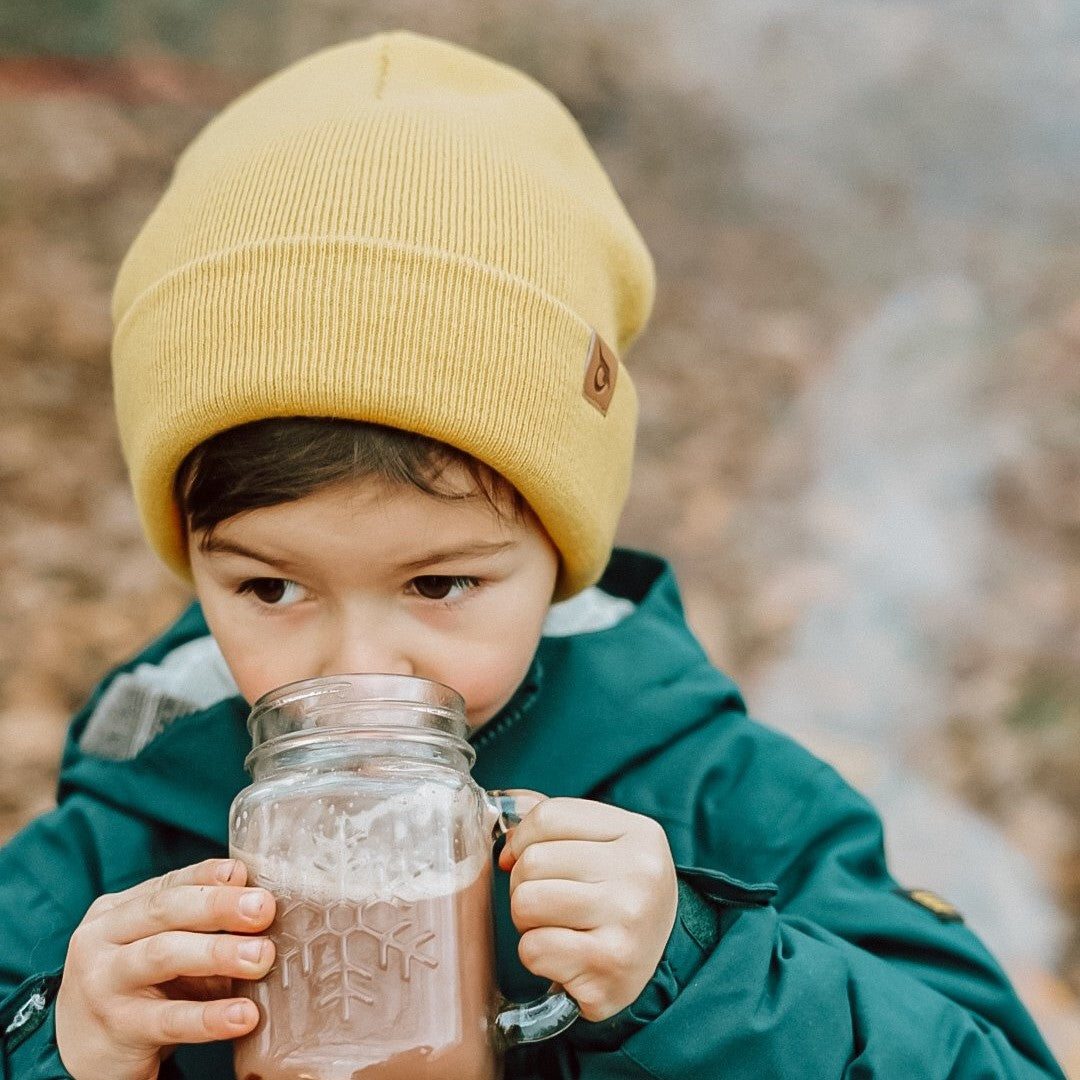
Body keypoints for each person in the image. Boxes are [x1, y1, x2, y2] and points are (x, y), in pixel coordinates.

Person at [0, 30, 1066, 1080]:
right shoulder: (128, 833)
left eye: (439, 582)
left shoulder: (716, 798)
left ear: (559, 552)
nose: (362, 672)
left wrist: (699, 968)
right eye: (271, 586)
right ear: (193, 562)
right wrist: (65, 1045)